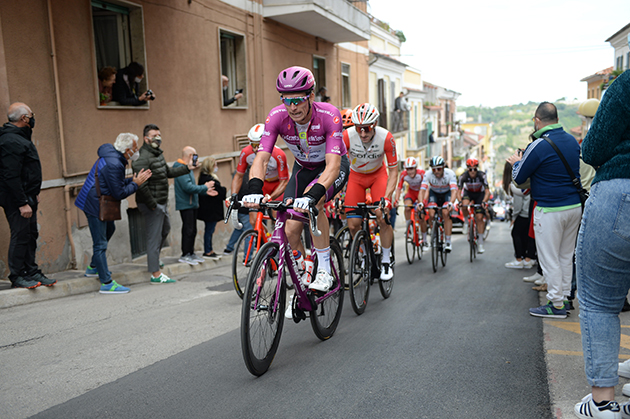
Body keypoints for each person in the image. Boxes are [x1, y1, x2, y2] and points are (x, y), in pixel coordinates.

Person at [242, 66, 349, 292]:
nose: (292, 107)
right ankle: (303, 271)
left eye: (298, 100)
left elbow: (333, 165)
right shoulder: (276, 116)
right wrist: (254, 188)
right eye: (286, 100)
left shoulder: (329, 115)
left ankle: (324, 271)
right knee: (289, 229)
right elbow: (261, 159)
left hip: (331, 167)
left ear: (310, 96)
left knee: (314, 206)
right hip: (303, 168)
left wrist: (312, 196)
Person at [572, 70, 630, 419]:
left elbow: (593, 149)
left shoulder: (625, 85)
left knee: (599, 302)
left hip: (619, 191)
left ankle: (603, 403)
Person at [508, 101, 582, 319]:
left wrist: (516, 162)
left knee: (549, 258)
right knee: (566, 256)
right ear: (557, 119)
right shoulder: (571, 140)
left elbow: (519, 178)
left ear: (537, 120)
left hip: (550, 209)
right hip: (574, 207)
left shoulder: (538, 146)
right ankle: (566, 299)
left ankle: (555, 304)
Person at [75, 133, 151, 293]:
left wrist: (133, 180)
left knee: (110, 230)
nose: (137, 150)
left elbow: (115, 182)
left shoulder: (113, 156)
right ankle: (106, 283)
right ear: (127, 150)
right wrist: (136, 184)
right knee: (100, 243)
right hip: (94, 203)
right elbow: (119, 193)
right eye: (135, 148)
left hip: (96, 198)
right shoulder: (115, 163)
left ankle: (93, 267)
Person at [0, 102, 55, 289]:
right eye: (31, 114)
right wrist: (22, 202)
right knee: (21, 235)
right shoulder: (10, 140)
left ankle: (31, 271)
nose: (33, 117)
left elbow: (26, 171)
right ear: (24, 118)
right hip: (17, 200)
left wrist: (33, 194)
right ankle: (17, 276)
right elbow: (11, 175)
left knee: (30, 234)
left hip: (27, 197)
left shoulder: (20, 137)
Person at [343, 103, 398, 280]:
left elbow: (394, 171)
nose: (363, 134)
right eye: (359, 129)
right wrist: (337, 194)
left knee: (381, 214)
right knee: (353, 224)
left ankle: (385, 259)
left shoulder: (386, 138)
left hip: (378, 176)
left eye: (366, 129)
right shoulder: (347, 136)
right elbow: (338, 167)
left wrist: (387, 197)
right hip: (355, 177)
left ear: (374, 124)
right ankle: (365, 254)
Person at [132, 124, 192, 284]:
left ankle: (154, 259)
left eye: (159, 134)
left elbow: (168, 172)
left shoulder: (157, 154)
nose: (158, 138)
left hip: (161, 201)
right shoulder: (142, 157)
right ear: (146, 139)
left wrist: (187, 168)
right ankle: (155, 274)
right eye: (154, 135)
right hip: (151, 203)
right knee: (154, 236)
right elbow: (141, 184)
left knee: (165, 229)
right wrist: (152, 204)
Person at [232, 123, 289, 226]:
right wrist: (233, 195)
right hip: (262, 185)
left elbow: (284, 182)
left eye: (258, 145)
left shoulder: (279, 155)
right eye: (253, 145)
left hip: (277, 185)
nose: (255, 149)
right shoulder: (246, 153)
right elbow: (238, 176)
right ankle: (263, 238)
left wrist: (271, 197)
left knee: (276, 218)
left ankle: (277, 239)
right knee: (253, 221)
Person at [173, 147, 217, 265]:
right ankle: (185, 254)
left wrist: (205, 191)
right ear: (190, 156)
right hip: (186, 204)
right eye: (195, 156)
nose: (196, 159)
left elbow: (192, 187)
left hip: (192, 203)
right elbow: (188, 187)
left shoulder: (188, 168)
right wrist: (205, 187)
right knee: (188, 229)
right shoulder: (180, 168)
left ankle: (191, 253)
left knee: (192, 230)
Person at [501, 161, 536, 273]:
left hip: (523, 213)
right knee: (527, 235)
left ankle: (519, 259)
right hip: (529, 212)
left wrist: (514, 217)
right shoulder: (526, 177)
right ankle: (527, 258)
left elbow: (517, 204)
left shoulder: (516, 183)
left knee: (516, 233)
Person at [418, 156, 458, 252]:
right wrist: (420, 202)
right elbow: (422, 190)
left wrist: (451, 203)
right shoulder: (428, 174)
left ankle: (448, 241)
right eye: (434, 169)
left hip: (446, 194)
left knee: (445, 213)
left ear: (444, 167)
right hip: (434, 194)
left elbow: (454, 191)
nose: (436, 171)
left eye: (439, 169)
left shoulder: (450, 174)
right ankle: (434, 235)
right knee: (431, 213)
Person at [457, 158, 490, 254]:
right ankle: (466, 222)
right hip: (469, 193)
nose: (472, 171)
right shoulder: (463, 176)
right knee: (464, 204)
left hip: (480, 194)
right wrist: (459, 201)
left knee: (479, 217)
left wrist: (484, 201)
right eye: (470, 169)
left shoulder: (482, 175)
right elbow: (459, 191)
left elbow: (487, 192)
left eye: (474, 169)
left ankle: (480, 243)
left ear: (477, 169)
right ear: (467, 169)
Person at [394, 157, 427, 248]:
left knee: (422, 218)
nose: (410, 171)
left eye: (412, 169)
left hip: (421, 192)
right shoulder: (403, 174)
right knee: (407, 206)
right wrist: (396, 200)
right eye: (408, 169)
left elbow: (426, 187)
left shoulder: (421, 173)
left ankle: (424, 240)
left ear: (416, 168)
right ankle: (409, 227)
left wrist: (423, 201)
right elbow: (399, 188)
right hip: (411, 193)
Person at [197, 156, 226, 259]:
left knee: (209, 230)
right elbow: (221, 192)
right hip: (210, 211)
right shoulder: (210, 179)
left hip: (207, 210)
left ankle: (209, 249)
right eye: (215, 165)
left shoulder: (203, 177)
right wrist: (223, 189)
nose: (216, 167)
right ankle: (208, 250)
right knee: (209, 230)